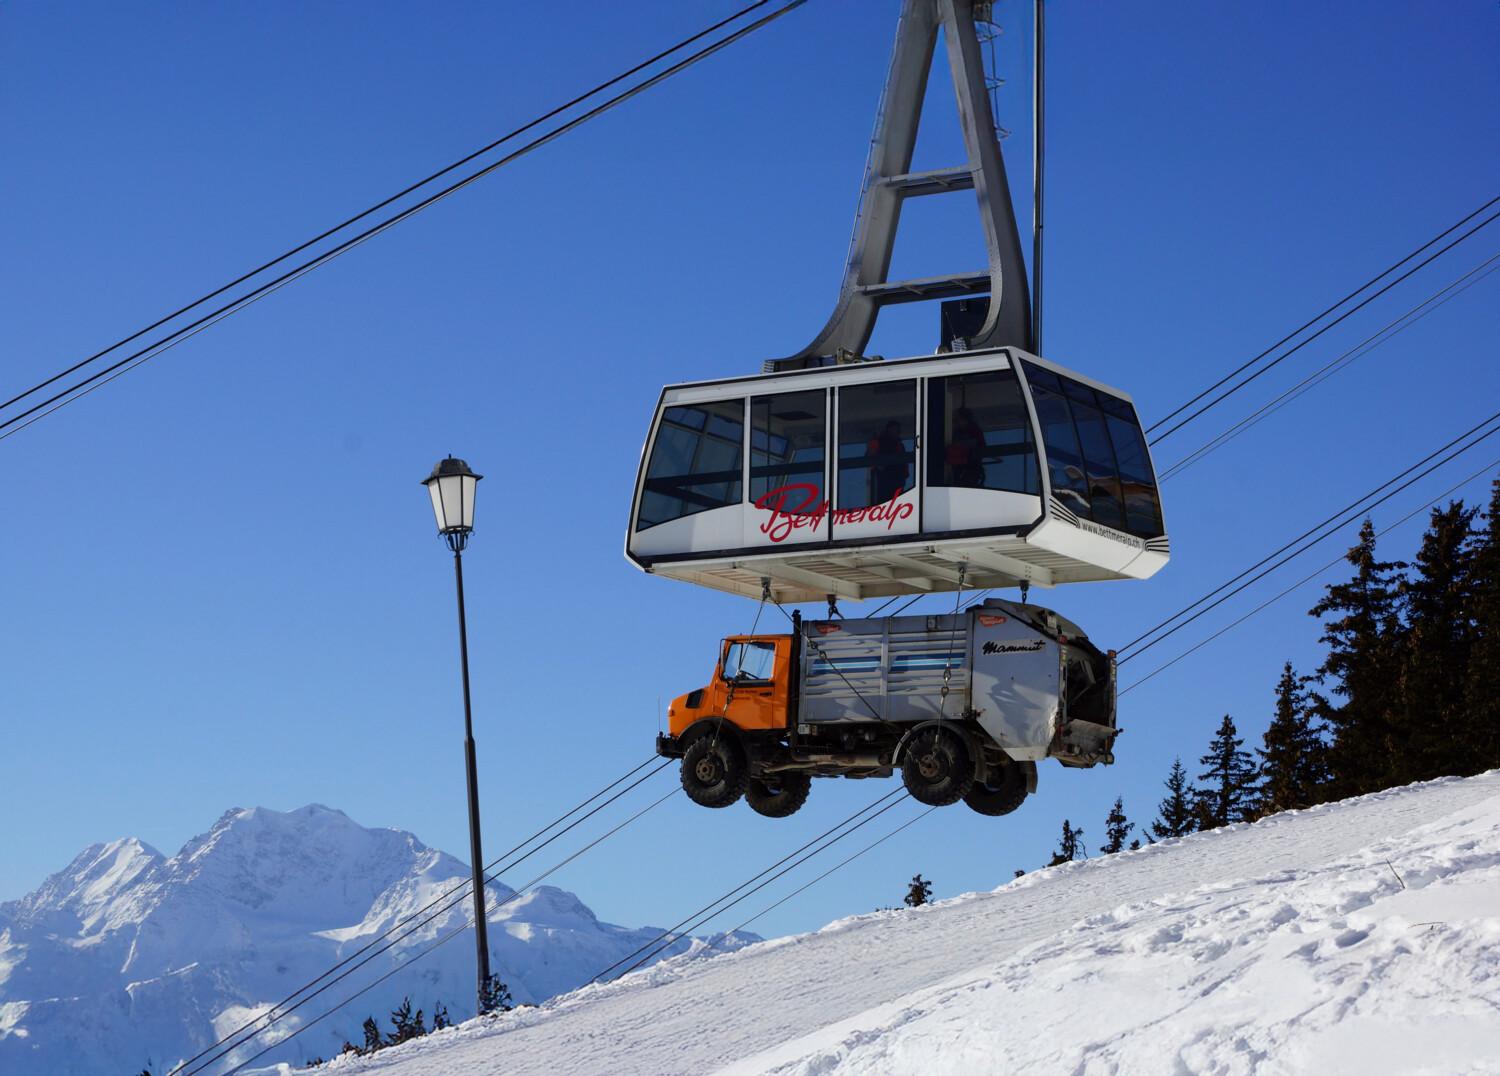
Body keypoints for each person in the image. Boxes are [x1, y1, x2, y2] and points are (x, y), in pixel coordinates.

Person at [868, 420, 909, 503]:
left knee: (896, 502)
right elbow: (870, 458)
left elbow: (904, 462)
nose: (896, 432)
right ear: (888, 430)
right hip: (885, 480)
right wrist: (879, 465)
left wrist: (904, 473)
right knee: (886, 501)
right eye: (894, 429)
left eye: (897, 430)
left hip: (897, 479)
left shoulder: (899, 445)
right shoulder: (880, 442)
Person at [948, 408, 986, 487]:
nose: (955, 423)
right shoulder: (958, 431)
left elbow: (978, 444)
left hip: (969, 466)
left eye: (957, 420)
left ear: (965, 420)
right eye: (955, 420)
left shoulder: (974, 431)